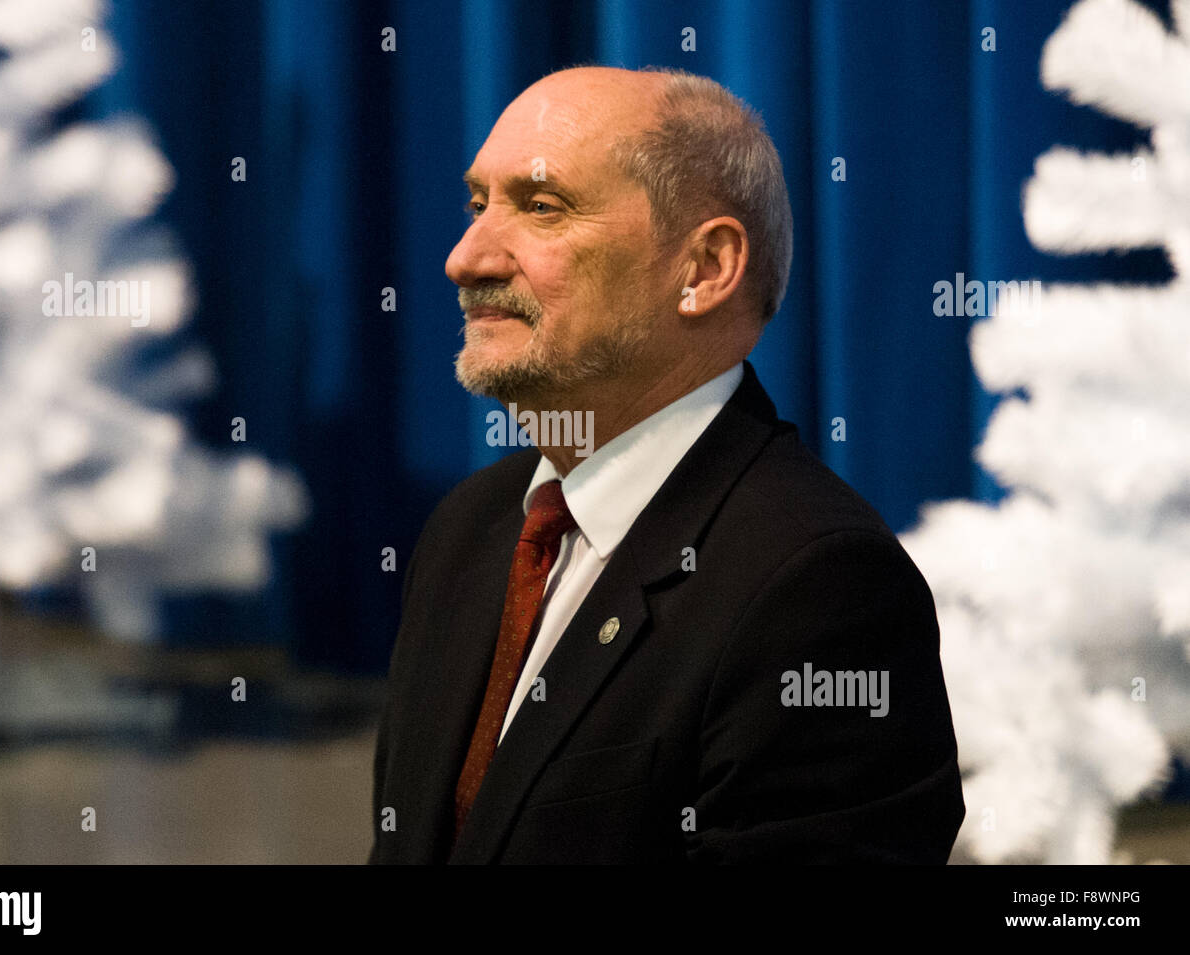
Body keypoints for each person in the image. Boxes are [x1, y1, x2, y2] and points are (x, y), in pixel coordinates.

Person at [369, 65, 964, 864]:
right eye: (479, 204)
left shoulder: (821, 588)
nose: (465, 257)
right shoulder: (469, 529)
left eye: (541, 208)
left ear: (704, 269)